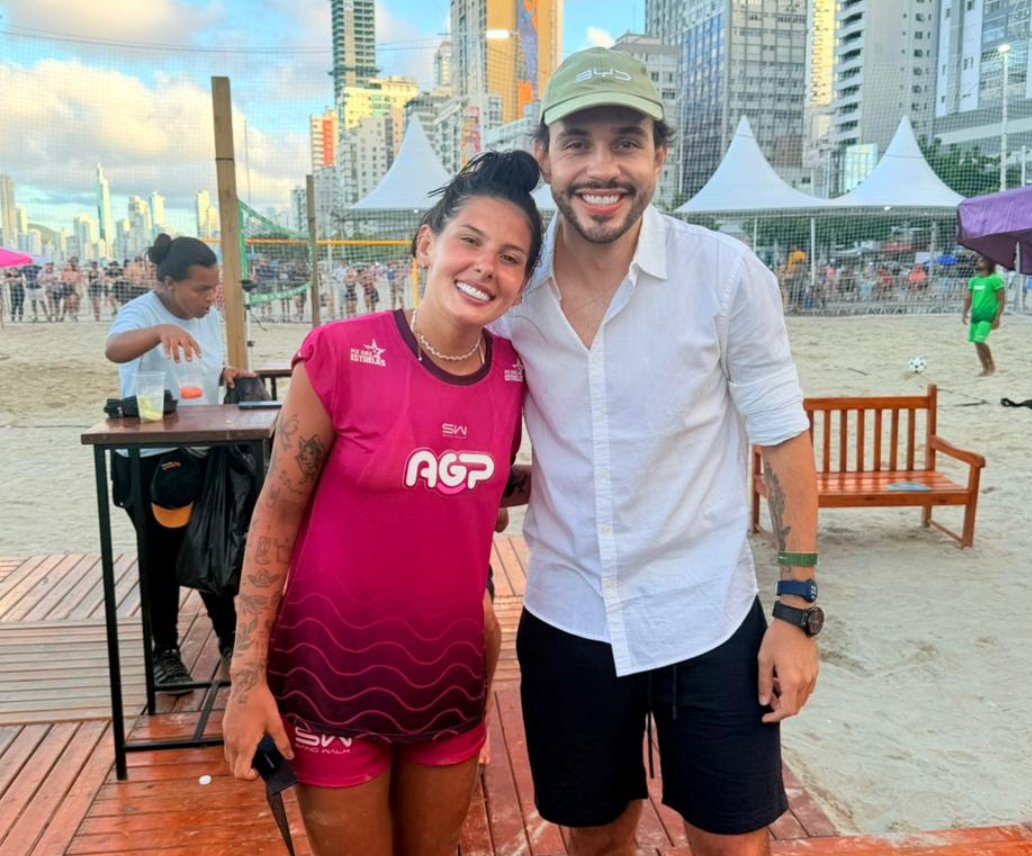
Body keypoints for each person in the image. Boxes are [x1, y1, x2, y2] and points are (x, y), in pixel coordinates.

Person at [493, 47, 820, 856]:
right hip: (568, 611)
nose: (601, 168)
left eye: (626, 142)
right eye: (578, 143)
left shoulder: (724, 275)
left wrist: (796, 613)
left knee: (731, 843)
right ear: (544, 156)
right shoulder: (511, 291)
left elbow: (783, 442)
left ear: (660, 156)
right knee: (594, 839)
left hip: (705, 612)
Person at [222, 150, 543, 856]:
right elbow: (275, 512)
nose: (486, 267)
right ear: (427, 244)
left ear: (523, 284)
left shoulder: (515, 376)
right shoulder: (339, 353)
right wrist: (246, 678)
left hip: (448, 677)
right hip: (331, 674)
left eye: (511, 257)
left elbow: (473, 496)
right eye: (469, 241)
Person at [105, 234, 254, 693]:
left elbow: (201, 370)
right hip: (151, 459)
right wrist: (158, 333)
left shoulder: (208, 317)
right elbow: (114, 349)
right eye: (200, 290)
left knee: (212, 540)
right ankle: (165, 652)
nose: (210, 298)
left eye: (214, 289)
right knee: (161, 555)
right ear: (168, 283)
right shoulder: (141, 313)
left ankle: (230, 636)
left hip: (200, 449)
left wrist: (225, 373)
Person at [962, 254, 1006, 376]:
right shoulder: (974, 280)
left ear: (989, 264)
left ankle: (991, 365)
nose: (978, 262)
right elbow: (968, 298)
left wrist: (998, 317)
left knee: (979, 340)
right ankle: (985, 368)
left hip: (988, 316)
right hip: (976, 315)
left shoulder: (995, 279)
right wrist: (964, 313)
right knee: (976, 343)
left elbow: (1002, 300)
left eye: (982, 260)